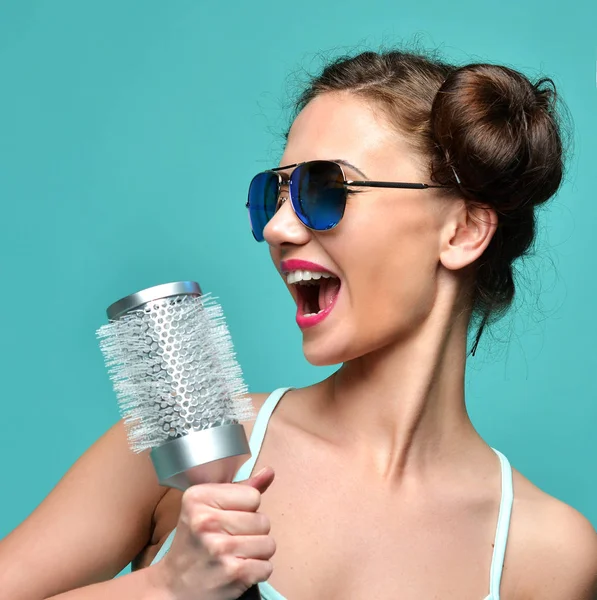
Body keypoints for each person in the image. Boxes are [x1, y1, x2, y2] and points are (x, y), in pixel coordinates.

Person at [1, 48, 596, 600]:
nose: (277, 228)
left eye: (326, 189)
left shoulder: (548, 555)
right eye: (273, 194)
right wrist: (161, 589)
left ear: (463, 231)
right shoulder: (190, 444)